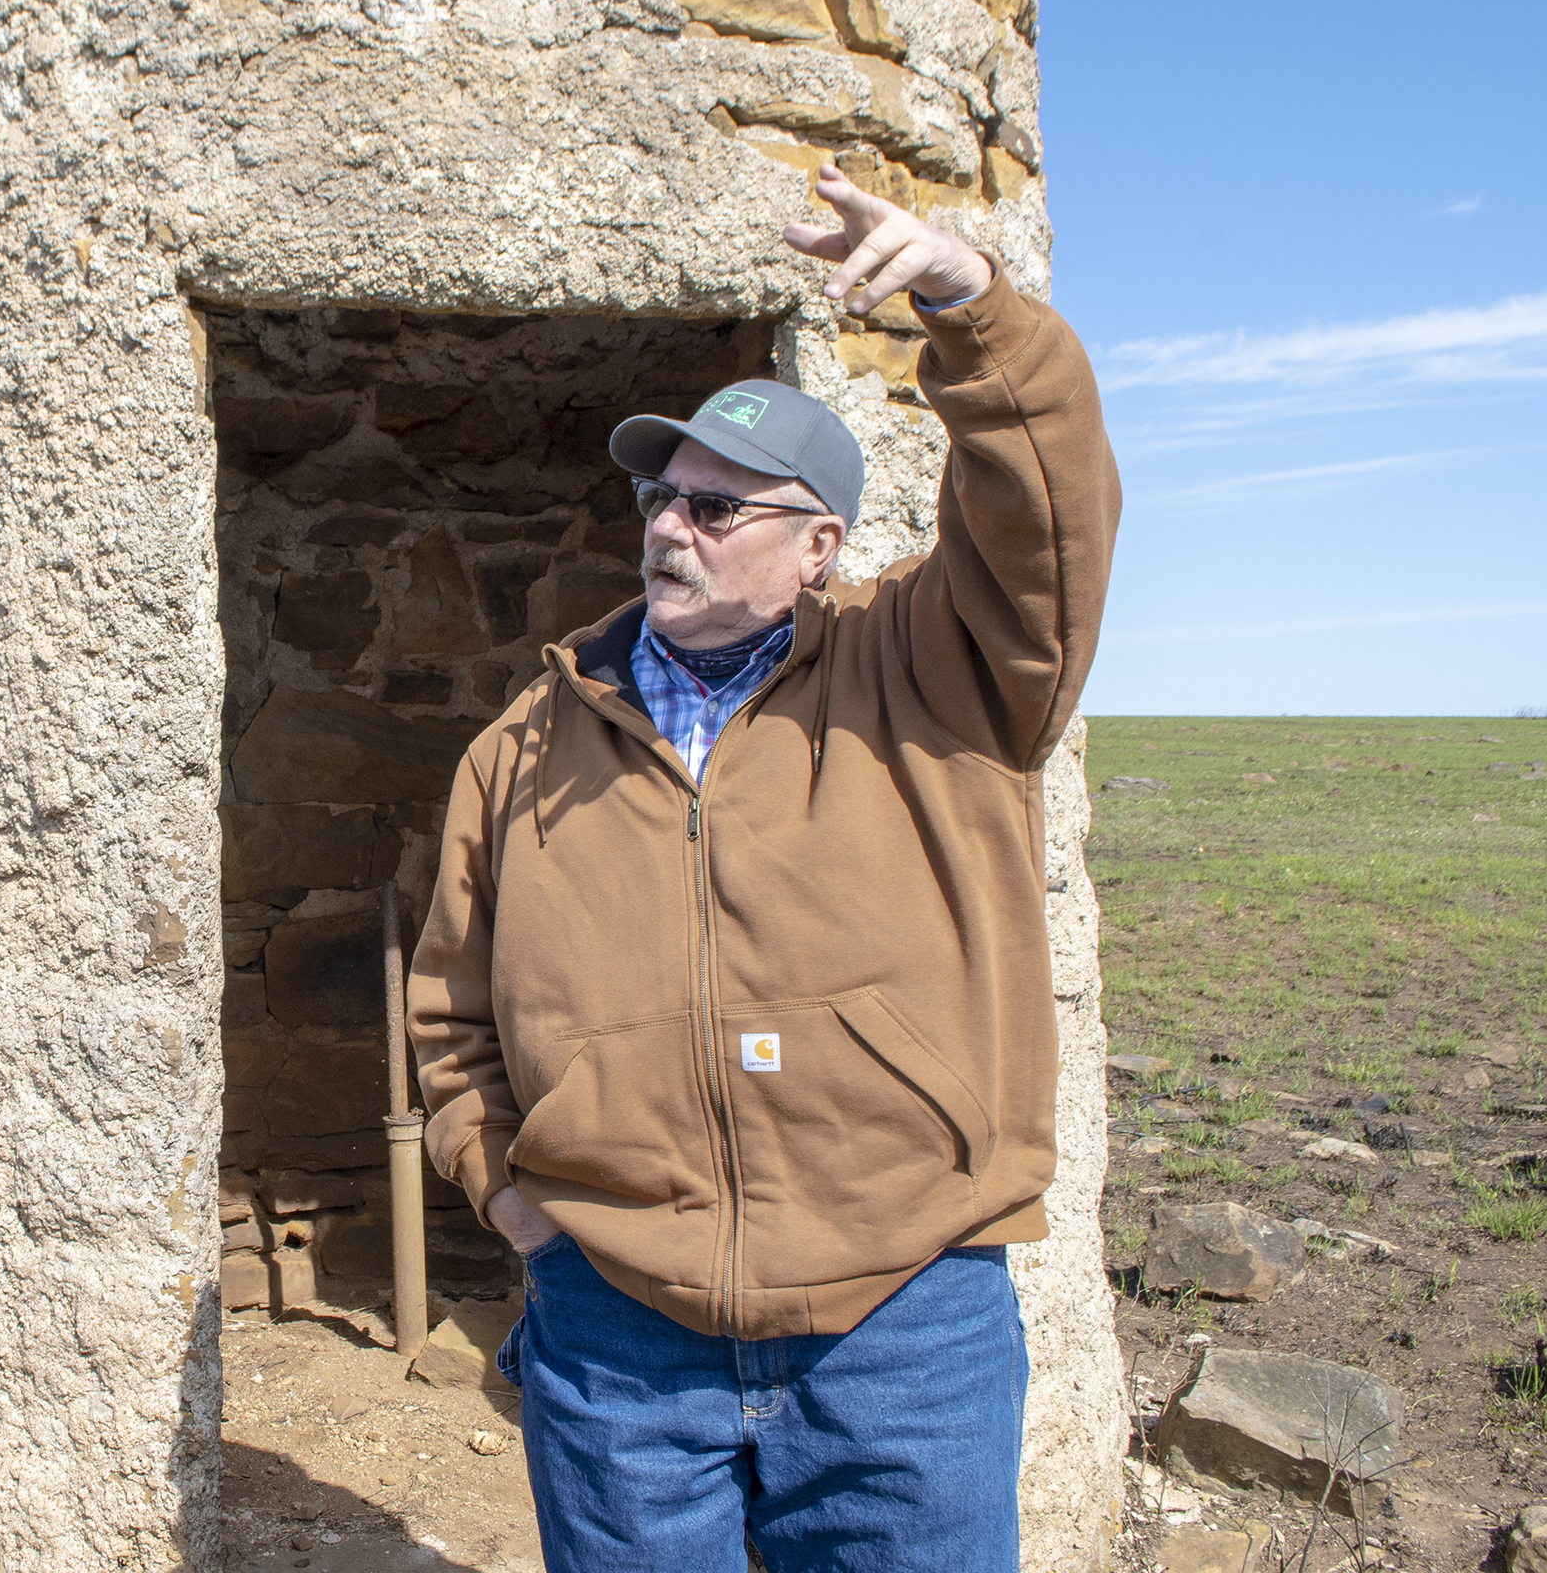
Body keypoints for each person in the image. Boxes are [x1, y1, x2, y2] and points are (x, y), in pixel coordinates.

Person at [407, 164, 1122, 1571]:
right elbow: (451, 1016)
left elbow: (1047, 515)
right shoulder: (525, 743)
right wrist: (510, 1197)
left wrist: (967, 305)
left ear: (820, 544)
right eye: (666, 497)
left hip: (901, 1326)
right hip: (618, 1334)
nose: (672, 525)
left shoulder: (943, 674)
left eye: (722, 508)